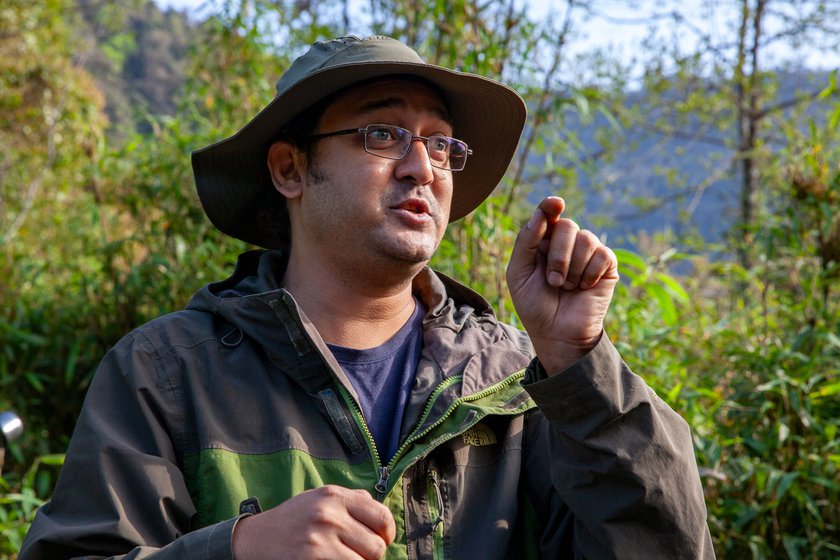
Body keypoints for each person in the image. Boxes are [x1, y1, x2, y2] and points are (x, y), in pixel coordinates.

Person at [19, 35, 714, 559]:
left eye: (442, 145)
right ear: (291, 169)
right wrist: (237, 548)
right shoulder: (168, 373)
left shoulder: (516, 383)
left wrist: (582, 361)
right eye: (382, 133)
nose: (422, 167)